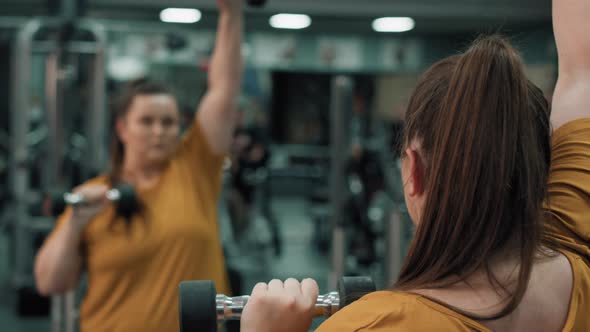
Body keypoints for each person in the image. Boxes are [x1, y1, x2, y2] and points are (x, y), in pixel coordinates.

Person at [239, 0, 590, 331]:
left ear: (413, 169)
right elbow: (581, 73)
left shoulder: (372, 325)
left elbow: (581, 69)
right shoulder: (577, 243)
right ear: (545, 165)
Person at [34, 0, 244, 331]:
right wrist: (74, 224)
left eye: (169, 122)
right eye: (146, 121)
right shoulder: (93, 196)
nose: (159, 131)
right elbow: (50, 283)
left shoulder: (195, 170)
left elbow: (224, 90)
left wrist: (232, 13)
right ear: (122, 128)